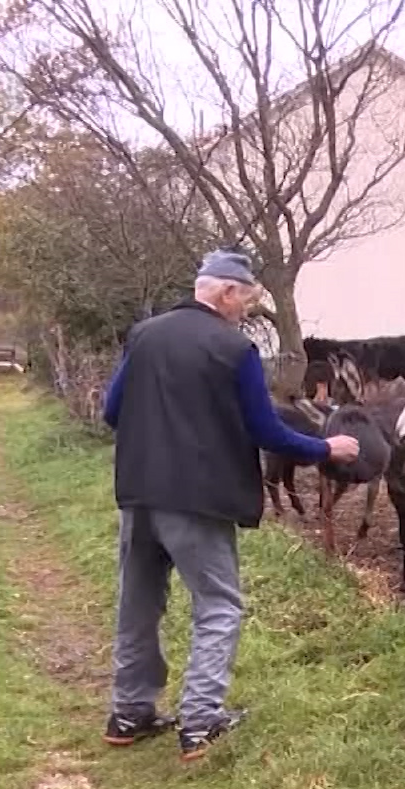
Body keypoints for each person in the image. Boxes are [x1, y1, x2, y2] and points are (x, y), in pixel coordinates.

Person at [101, 249, 360, 761]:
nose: (246, 313)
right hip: (198, 499)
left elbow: (113, 412)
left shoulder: (145, 334)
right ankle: (200, 722)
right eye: (246, 301)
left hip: (138, 492)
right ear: (225, 292)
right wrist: (325, 448)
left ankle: (130, 712)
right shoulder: (232, 348)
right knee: (218, 606)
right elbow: (265, 430)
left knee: (138, 603)